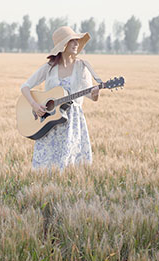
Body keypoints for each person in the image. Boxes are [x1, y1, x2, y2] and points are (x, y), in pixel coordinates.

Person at [20, 26, 100, 170]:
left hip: (72, 122)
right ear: (63, 45)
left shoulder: (82, 67)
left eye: (77, 41)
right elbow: (25, 87)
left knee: (71, 166)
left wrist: (95, 93)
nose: (76, 44)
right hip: (49, 122)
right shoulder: (49, 67)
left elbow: (89, 95)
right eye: (72, 41)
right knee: (45, 168)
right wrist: (34, 105)